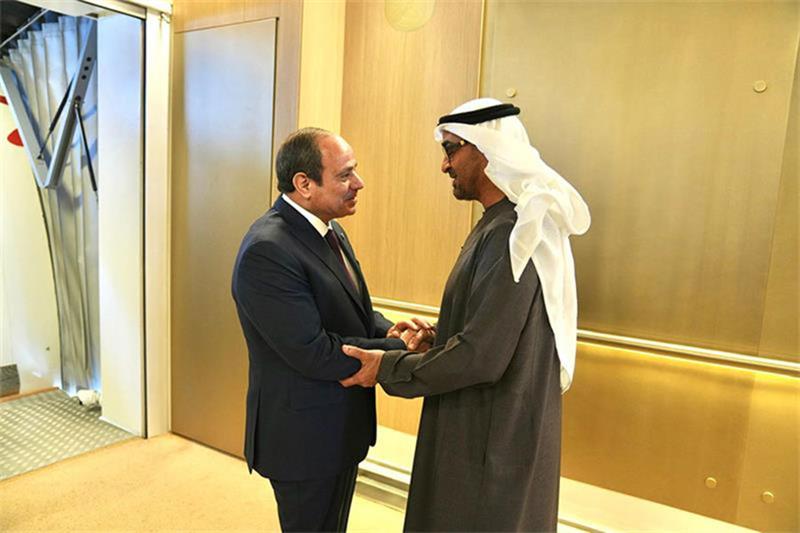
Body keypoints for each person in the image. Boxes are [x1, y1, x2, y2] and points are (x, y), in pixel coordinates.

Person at [340, 98, 591, 531]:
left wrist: (387, 366)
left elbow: (483, 356)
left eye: (451, 150)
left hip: (491, 436)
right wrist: (442, 335)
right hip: (492, 423)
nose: (445, 165)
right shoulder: (501, 222)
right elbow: (499, 325)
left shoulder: (514, 231)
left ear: (488, 148)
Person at [231, 128, 407, 532]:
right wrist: (397, 349)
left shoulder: (329, 228)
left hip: (339, 429)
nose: (358, 183)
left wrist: (391, 329)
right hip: (302, 440)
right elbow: (312, 350)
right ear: (304, 184)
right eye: (345, 175)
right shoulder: (268, 250)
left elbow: (351, 311)